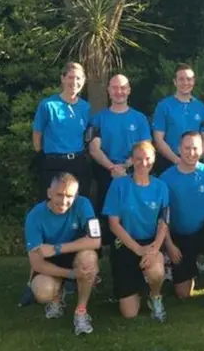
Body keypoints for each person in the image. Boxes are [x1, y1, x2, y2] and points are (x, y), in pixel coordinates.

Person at [160, 131, 204, 315]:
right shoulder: (166, 178)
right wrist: (169, 245)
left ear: (201, 150)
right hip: (179, 237)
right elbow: (162, 216)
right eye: (187, 148)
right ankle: (189, 268)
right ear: (178, 149)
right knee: (183, 294)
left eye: (195, 148)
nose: (191, 153)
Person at [24, 172, 100, 335]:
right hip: (49, 261)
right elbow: (36, 263)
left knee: (89, 258)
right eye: (59, 194)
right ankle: (57, 297)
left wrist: (56, 248)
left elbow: (96, 241)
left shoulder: (83, 204)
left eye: (69, 196)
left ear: (76, 196)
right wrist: (72, 274)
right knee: (43, 292)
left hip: (73, 254)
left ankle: (81, 311)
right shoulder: (34, 216)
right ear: (49, 193)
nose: (64, 201)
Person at [102, 141, 169, 321]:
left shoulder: (161, 187)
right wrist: (137, 250)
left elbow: (164, 222)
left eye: (147, 159)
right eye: (138, 159)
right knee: (129, 313)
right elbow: (113, 224)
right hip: (125, 243)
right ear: (131, 160)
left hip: (150, 242)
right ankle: (138, 286)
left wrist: (154, 248)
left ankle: (155, 296)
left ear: (153, 160)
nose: (143, 163)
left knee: (155, 271)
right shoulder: (119, 185)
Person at [89, 74, 151, 245]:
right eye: (115, 87)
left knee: (133, 214)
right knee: (108, 217)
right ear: (108, 90)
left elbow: (146, 147)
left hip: (134, 172)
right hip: (106, 174)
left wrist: (125, 166)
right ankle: (110, 254)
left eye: (123, 87)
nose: (119, 91)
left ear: (129, 90)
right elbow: (94, 148)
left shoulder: (139, 119)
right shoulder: (99, 118)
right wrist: (112, 168)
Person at [32, 62, 91, 199]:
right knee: (52, 202)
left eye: (78, 78)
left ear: (83, 81)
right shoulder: (48, 105)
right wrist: (41, 156)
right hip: (53, 162)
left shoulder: (85, 107)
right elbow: (37, 134)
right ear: (63, 78)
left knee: (79, 202)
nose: (74, 82)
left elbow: (86, 134)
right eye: (71, 77)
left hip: (77, 162)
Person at [152, 63, 204, 174]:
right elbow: (158, 139)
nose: (185, 83)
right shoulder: (164, 106)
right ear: (175, 82)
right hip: (169, 163)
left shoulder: (201, 107)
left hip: (194, 162)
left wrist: (195, 159)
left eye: (189, 79)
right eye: (181, 79)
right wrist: (177, 160)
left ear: (193, 81)